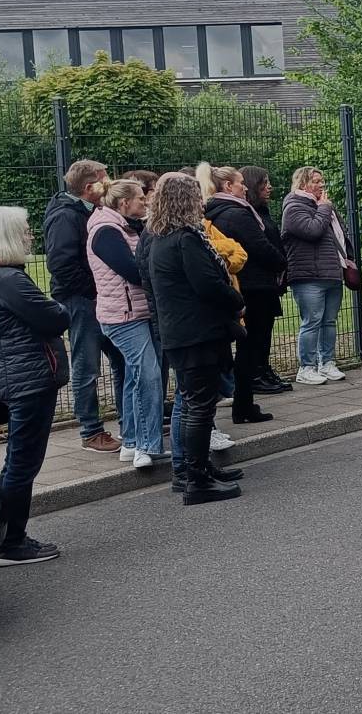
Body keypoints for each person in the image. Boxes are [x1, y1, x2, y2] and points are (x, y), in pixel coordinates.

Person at [0, 206, 68, 564]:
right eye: (24, 229)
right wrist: (58, 307)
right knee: (23, 461)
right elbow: (55, 318)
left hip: (16, 372)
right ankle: (10, 541)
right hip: (30, 376)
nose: (30, 235)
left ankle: (6, 536)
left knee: (21, 459)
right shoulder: (8, 280)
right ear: (5, 235)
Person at [137, 174, 246, 506]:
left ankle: (193, 471)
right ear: (185, 200)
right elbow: (208, 285)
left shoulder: (158, 238)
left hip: (180, 332)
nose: (202, 202)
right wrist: (235, 300)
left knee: (193, 404)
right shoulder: (185, 239)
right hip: (196, 332)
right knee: (199, 406)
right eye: (197, 197)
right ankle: (195, 480)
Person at [45, 159, 126, 454]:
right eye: (105, 179)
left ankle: (128, 421)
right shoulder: (66, 217)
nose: (110, 184)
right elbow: (61, 264)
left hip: (97, 298)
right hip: (81, 301)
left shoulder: (89, 212)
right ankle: (91, 430)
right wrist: (94, 290)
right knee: (87, 365)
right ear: (90, 187)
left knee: (121, 360)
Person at [86, 179, 163, 470]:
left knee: (135, 376)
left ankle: (131, 442)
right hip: (123, 316)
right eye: (141, 199)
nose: (145, 202)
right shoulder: (106, 231)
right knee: (148, 375)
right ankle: (145, 444)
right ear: (123, 203)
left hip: (134, 312)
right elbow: (132, 270)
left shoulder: (125, 226)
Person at [206, 166, 288, 419]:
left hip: (245, 285)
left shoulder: (217, 212)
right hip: (255, 287)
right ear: (228, 186)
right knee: (251, 348)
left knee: (246, 348)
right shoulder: (237, 214)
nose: (244, 187)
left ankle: (243, 403)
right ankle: (244, 405)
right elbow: (260, 247)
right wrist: (281, 261)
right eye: (240, 183)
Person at [281, 166, 348, 385]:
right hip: (308, 276)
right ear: (302, 183)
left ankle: (327, 362)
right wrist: (324, 209)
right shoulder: (293, 207)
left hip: (331, 272)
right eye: (316, 181)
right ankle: (306, 367)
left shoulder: (322, 206)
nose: (321, 185)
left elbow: (340, 235)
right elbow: (312, 230)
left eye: (322, 181)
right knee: (312, 322)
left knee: (329, 322)